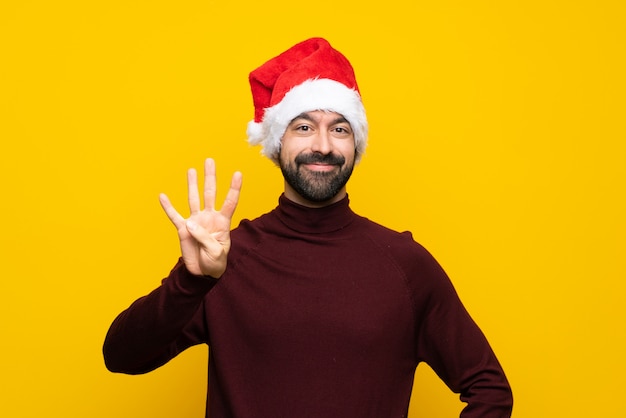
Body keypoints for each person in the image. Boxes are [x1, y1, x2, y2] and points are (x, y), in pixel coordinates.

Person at [103, 37, 513, 417]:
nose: (323, 145)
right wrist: (190, 281)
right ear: (277, 143)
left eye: (339, 128)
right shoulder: (226, 259)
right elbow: (121, 357)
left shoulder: (405, 265)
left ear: (356, 146)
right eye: (303, 127)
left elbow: (489, 388)